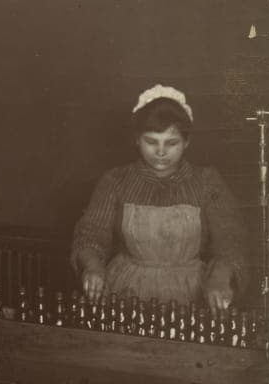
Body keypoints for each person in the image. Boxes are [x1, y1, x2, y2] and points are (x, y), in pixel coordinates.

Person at [72, 85, 246, 313]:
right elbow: (91, 234)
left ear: (187, 142)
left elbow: (231, 240)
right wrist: (93, 267)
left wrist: (221, 275)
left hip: (192, 292)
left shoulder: (207, 182)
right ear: (137, 139)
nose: (161, 152)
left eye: (171, 143)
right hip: (125, 289)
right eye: (151, 142)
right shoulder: (115, 181)